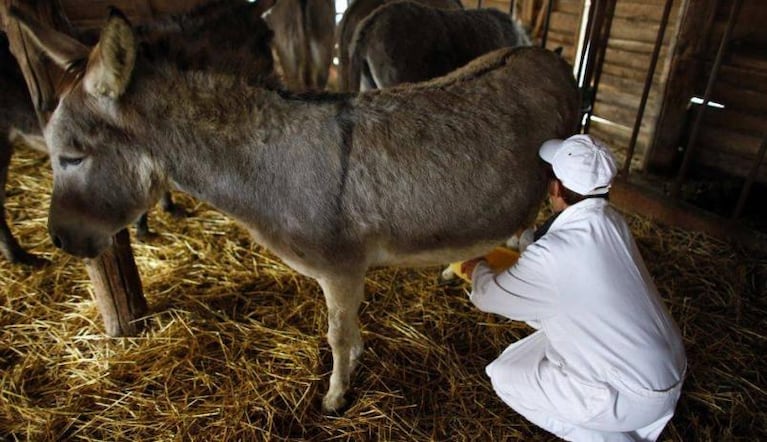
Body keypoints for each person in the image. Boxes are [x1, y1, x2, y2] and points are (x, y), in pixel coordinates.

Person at [460, 134, 687, 441]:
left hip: (632, 394)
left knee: (504, 377)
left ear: (555, 188)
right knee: (521, 353)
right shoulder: (612, 222)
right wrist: (526, 235)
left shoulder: (554, 254)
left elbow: (490, 296)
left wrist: (476, 269)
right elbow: (555, 252)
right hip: (667, 366)